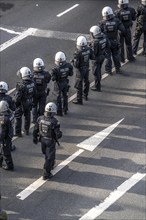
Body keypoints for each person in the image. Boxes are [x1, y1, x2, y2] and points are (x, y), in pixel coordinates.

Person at [33, 102, 62, 180]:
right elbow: (58, 134)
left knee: (46, 154)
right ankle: (46, 173)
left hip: (42, 140)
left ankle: (51, 165)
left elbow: (35, 130)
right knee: (50, 157)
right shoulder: (55, 121)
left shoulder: (40, 118)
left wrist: (34, 138)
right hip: (50, 141)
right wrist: (59, 134)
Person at [99, 6, 126, 75]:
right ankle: (118, 69)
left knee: (107, 57)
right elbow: (123, 30)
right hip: (114, 41)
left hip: (106, 42)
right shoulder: (116, 20)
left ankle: (108, 71)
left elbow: (98, 34)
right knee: (116, 55)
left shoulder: (101, 23)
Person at [14, 67, 36, 137]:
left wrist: (16, 105)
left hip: (22, 104)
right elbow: (34, 93)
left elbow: (17, 98)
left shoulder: (21, 86)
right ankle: (27, 130)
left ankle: (18, 132)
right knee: (28, 116)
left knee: (18, 117)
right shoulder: (33, 83)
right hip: (29, 102)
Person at [51, 51, 73, 116]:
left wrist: (53, 73)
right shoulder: (68, 66)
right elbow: (71, 74)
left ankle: (59, 111)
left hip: (58, 84)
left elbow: (53, 79)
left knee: (58, 98)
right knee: (65, 96)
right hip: (65, 82)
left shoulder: (55, 69)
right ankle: (65, 109)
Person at [72, 36, 92, 104]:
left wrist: (73, 62)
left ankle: (79, 100)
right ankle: (85, 95)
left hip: (80, 71)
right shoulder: (88, 49)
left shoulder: (77, 53)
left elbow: (76, 65)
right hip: (87, 68)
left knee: (79, 85)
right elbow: (92, 57)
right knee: (86, 82)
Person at [89, 25, 109, 91]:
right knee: (99, 70)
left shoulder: (95, 42)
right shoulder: (104, 37)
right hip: (102, 56)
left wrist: (89, 49)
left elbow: (94, 53)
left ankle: (97, 87)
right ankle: (99, 83)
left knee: (95, 73)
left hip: (96, 59)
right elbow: (108, 46)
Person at [32, 58, 51, 123]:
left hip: (35, 93)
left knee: (34, 106)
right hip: (43, 92)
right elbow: (48, 80)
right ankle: (41, 118)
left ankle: (34, 120)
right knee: (42, 106)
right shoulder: (46, 74)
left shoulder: (32, 75)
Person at [0, 81, 16, 151]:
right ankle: (9, 146)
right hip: (5, 117)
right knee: (9, 131)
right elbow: (13, 108)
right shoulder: (8, 98)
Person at [0, 100, 14, 171]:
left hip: (5, 137)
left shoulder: (4, 120)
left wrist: (1, 139)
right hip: (10, 134)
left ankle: (10, 165)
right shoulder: (10, 114)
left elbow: (3, 132)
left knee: (6, 152)